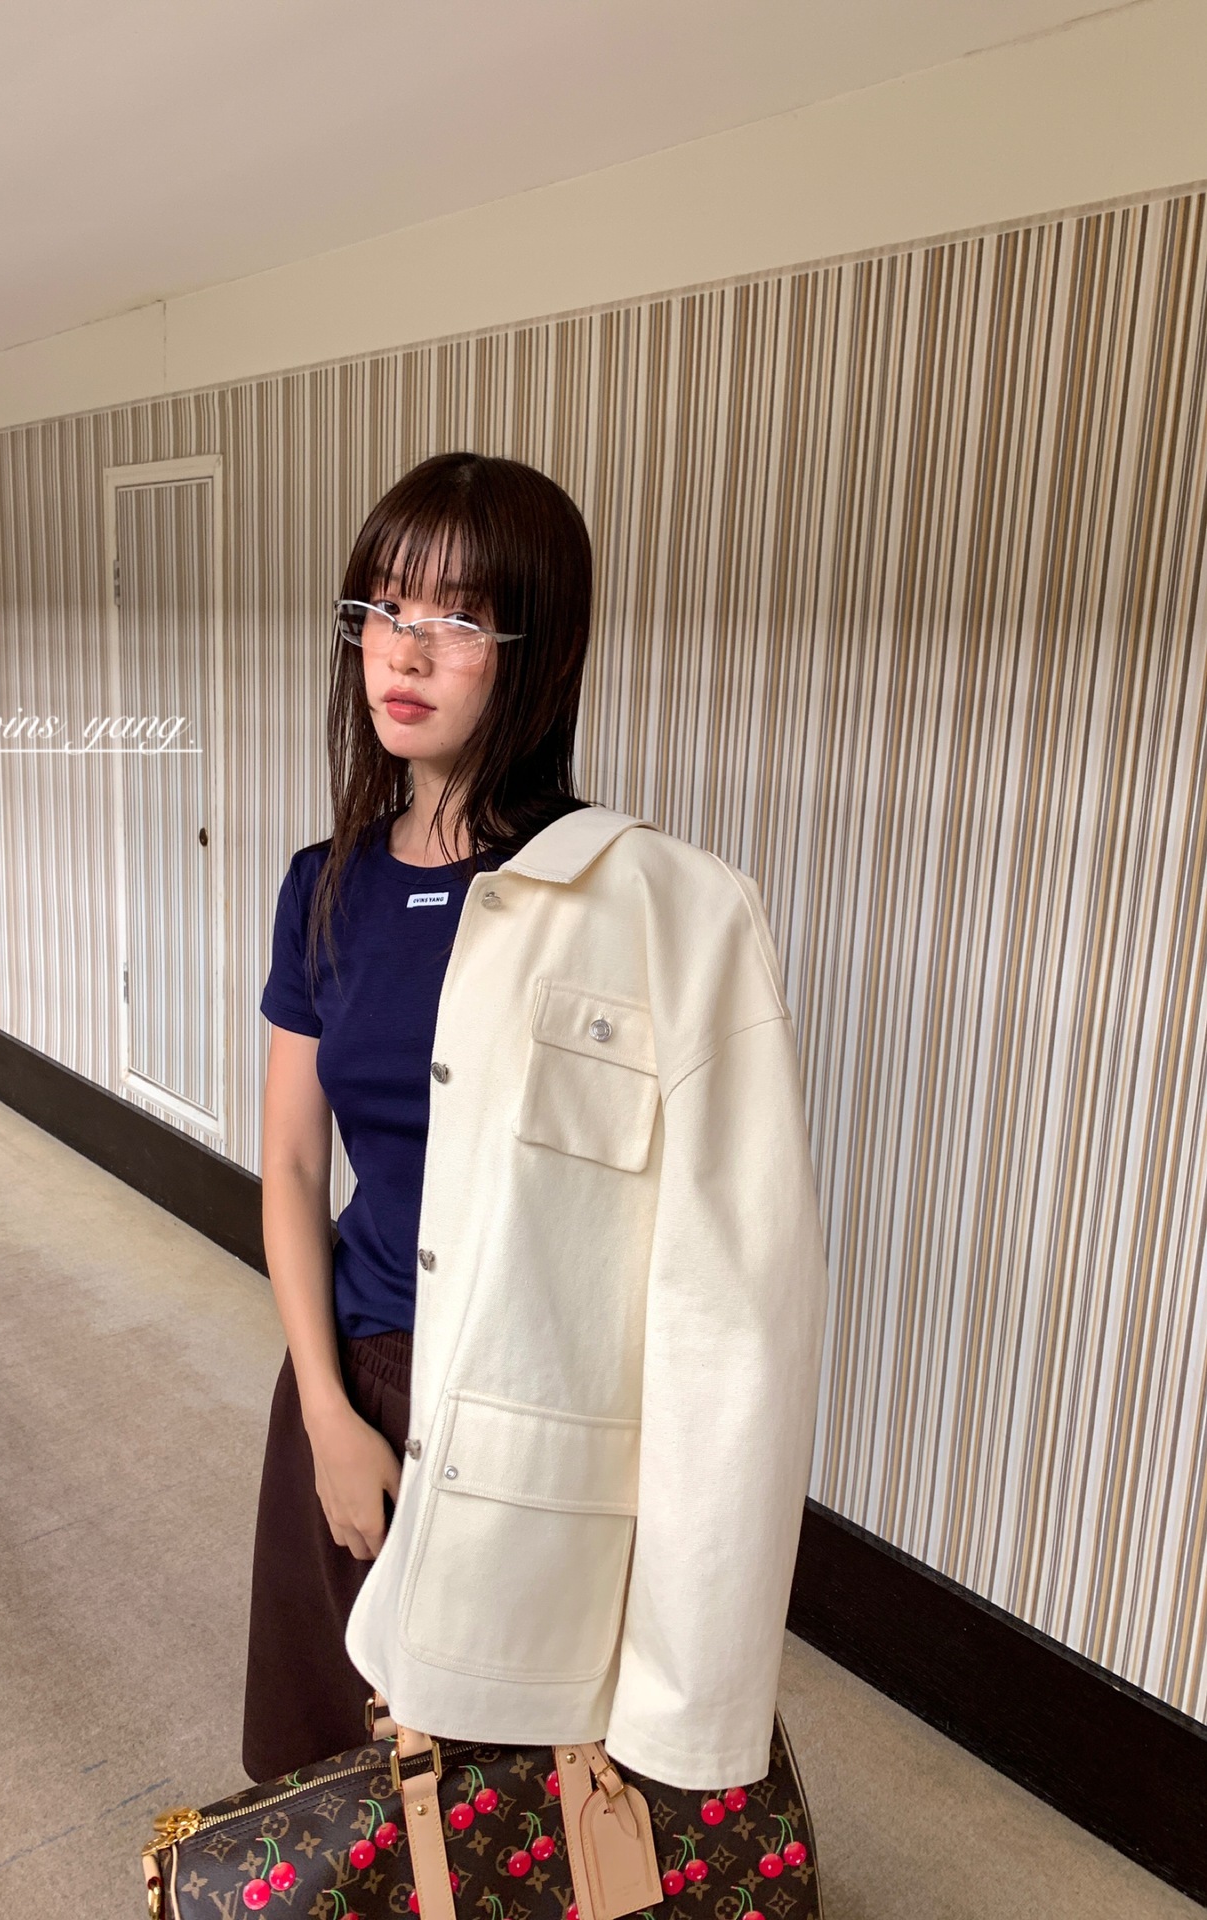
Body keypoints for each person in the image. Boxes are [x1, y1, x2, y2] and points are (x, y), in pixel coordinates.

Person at [242, 451, 828, 1792]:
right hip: (357, 1371)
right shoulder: (322, 888)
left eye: (458, 618)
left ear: (539, 651)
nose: (406, 651)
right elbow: (289, 1159)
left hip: (533, 1402)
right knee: (325, 1783)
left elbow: (733, 1278)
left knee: (508, 1800)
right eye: (384, 608)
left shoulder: (650, 906)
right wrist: (326, 1412)